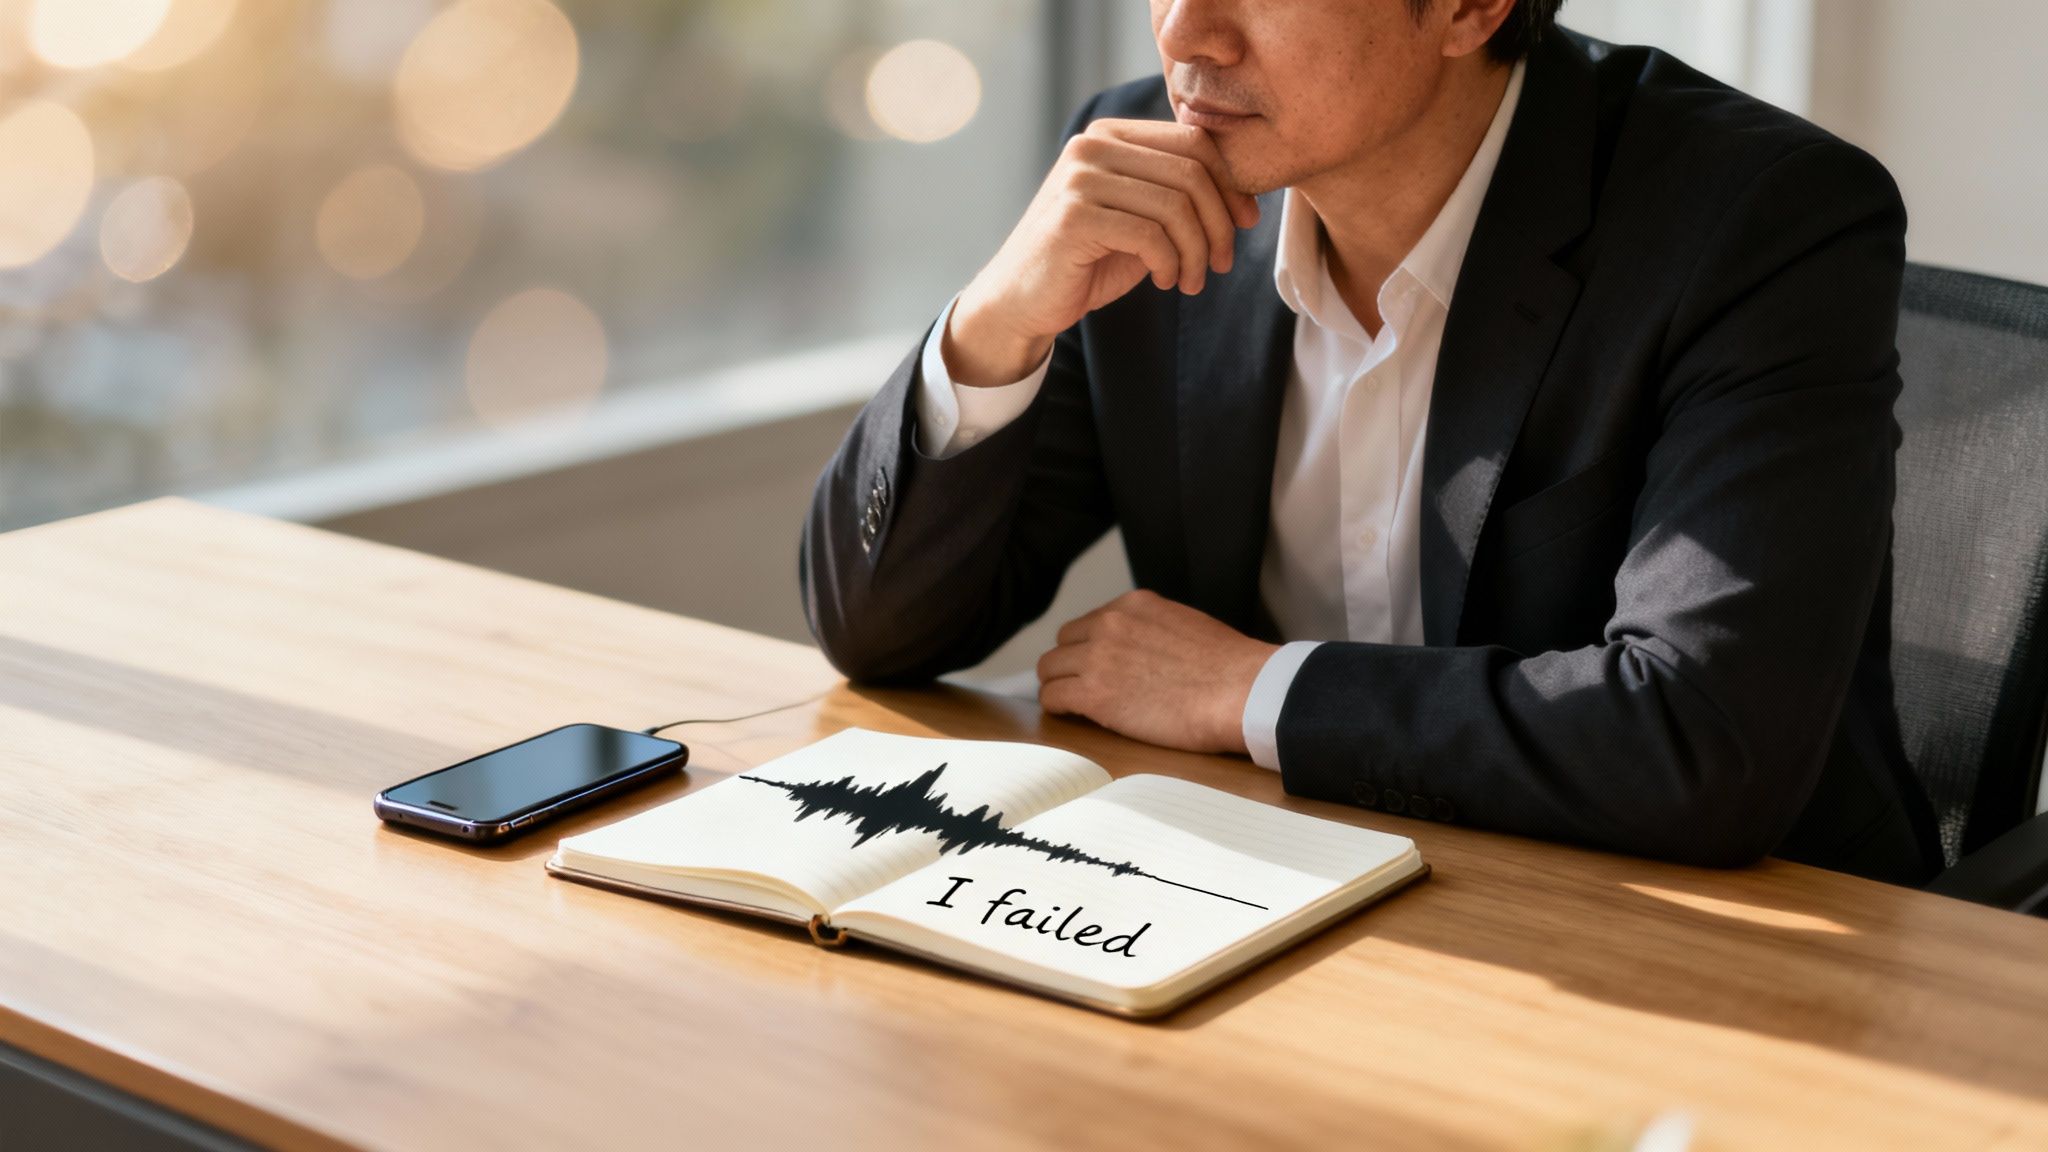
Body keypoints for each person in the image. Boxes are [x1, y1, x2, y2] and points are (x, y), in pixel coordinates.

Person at [799, 0, 1945, 885]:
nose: (1185, 33)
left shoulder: (1758, 221)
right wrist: (995, 321)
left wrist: (1250, 692)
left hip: (1722, 953)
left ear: (1466, 9)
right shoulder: (1141, 177)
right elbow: (882, 631)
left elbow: (1700, 742)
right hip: (1273, 893)